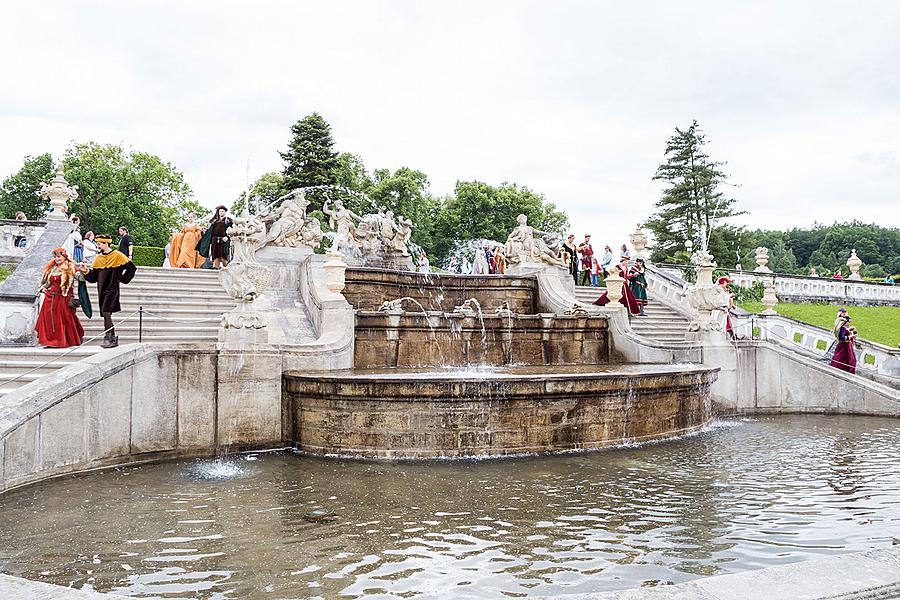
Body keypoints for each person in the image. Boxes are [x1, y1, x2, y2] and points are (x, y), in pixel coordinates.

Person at [80, 234, 137, 348]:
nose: (98, 246)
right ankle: (112, 338)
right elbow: (93, 278)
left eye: (100, 244)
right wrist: (85, 271)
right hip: (101, 289)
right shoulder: (98, 258)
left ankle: (110, 337)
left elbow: (131, 269)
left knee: (106, 311)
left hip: (112, 288)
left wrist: (121, 278)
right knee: (105, 313)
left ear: (106, 243)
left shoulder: (118, 255)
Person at [34, 248, 84, 348]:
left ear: (64, 257)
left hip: (64, 298)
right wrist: (42, 289)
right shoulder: (51, 268)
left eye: (59, 256)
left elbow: (81, 278)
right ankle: (50, 341)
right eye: (55, 257)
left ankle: (64, 341)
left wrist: (83, 270)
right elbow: (47, 283)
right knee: (48, 320)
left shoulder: (70, 267)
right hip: (50, 297)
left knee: (64, 319)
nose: (57, 259)